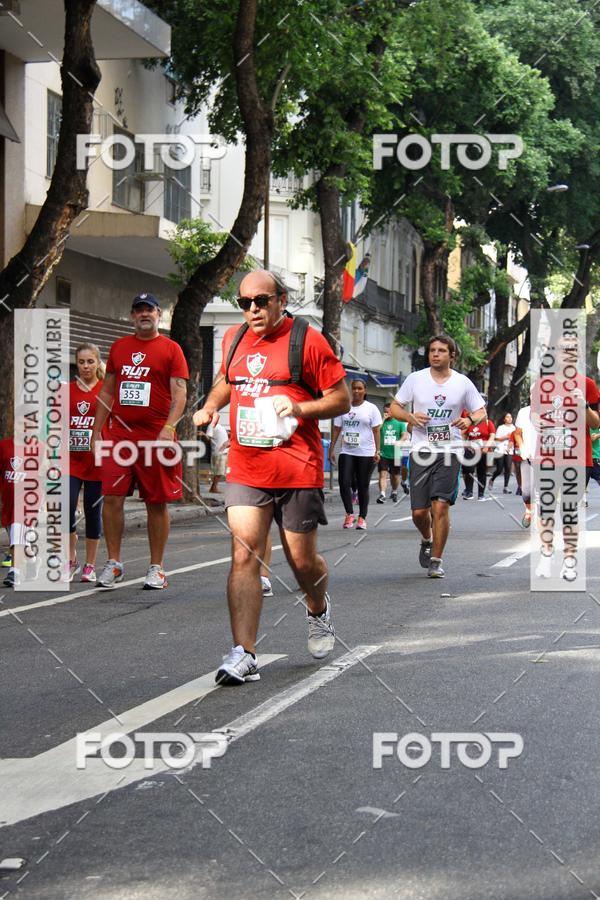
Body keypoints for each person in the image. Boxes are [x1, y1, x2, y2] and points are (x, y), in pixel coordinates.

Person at [193, 269, 349, 686]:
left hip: (297, 465)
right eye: (245, 302)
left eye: (261, 301)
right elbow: (228, 380)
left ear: (282, 299)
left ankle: (317, 607)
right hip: (247, 464)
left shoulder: (307, 341)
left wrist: (298, 409)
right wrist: (210, 407)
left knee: (301, 560)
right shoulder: (234, 339)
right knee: (244, 554)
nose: (253, 309)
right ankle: (244, 653)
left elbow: (341, 398)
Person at [90, 292, 188, 590]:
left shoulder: (171, 349)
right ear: (132, 316)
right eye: (139, 310)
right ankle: (114, 563)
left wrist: (169, 427)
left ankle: (156, 568)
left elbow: (180, 392)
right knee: (112, 497)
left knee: (155, 502)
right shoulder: (119, 347)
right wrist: (96, 431)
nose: (144, 314)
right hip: (119, 435)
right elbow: (107, 392)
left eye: (150, 310)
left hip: (154, 435)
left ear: (159, 314)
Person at [390, 334, 485, 578]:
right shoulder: (415, 379)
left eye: (442, 350)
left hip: (450, 451)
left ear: (452, 356)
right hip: (421, 450)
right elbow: (395, 407)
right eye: (432, 350)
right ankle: (426, 538)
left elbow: (480, 410)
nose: (435, 354)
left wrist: (468, 419)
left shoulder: (462, 383)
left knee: (440, 506)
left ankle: (436, 560)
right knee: (419, 513)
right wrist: (410, 417)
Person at [530, 337, 600, 579]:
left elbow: (596, 423)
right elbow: (534, 416)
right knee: (546, 509)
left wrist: (584, 406)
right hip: (547, 457)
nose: (567, 353)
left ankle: (569, 559)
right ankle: (547, 554)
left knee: (570, 510)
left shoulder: (588, 384)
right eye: (563, 349)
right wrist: (537, 421)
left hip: (578, 458)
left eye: (572, 349)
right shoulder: (542, 385)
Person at [68, 343, 105, 583]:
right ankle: (70, 559)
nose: (85, 366)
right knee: (64, 509)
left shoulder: (105, 390)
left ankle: (90, 565)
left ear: (97, 362)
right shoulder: (66, 390)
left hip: (97, 462)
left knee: (93, 512)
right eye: (81, 362)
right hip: (69, 460)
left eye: (90, 361)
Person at [329, 379, 382, 529]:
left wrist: (377, 451)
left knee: (362, 485)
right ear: (351, 390)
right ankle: (349, 514)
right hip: (347, 451)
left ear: (365, 391)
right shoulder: (344, 407)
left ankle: (362, 518)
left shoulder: (371, 409)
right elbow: (337, 429)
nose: (356, 391)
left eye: (360, 388)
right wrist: (331, 449)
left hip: (366, 452)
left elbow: (376, 431)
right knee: (344, 483)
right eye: (354, 388)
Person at [461, 396, 495, 501]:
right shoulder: (469, 423)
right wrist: (466, 445)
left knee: (481, 471)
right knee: (468, 470)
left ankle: (481, 494)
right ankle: (469, 491)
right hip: (471, 449)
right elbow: (464, 436)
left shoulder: (488, 423)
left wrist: (487, 447)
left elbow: (492, 435)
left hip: (483, 450)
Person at [377, 402, 408, 503]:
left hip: (396, 453)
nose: (387, 413)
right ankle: (382, 494)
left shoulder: (399, 422)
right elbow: (376, 431)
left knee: (395, 476)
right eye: (385, 411)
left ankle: (394, 491)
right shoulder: (381, 422)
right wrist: (383, 420)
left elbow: (404, 435)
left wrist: (400, 441)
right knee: (383, 474)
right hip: (383, 453)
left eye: (389, 411)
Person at [513, 402, 536, 528]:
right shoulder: (523, 411)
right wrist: (522, 447)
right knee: (526, 492)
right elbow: (517, 433)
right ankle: (528, 511)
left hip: (547, 458)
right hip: (528, 457)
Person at [490, 412, 516, 494]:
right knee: (499, 469)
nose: (510, 419)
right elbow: (496, 439)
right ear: (504, 419)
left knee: (508, 468)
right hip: (500, 449)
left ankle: (506, 487)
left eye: (511, 417)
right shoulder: (501, 428)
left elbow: (515, 439)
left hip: (509, 450)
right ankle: (492, 479)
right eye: (507, 417)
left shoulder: (513, 428)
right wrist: (506, 437)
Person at [206, 421, 229, 494]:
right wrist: (203, 434)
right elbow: (208, 437)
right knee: (218, 472)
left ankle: (214, 487)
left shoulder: (220, 425)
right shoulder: (211, 425)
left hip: (224, 451)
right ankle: (213, 488)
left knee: (221, 471)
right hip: (218, 452)